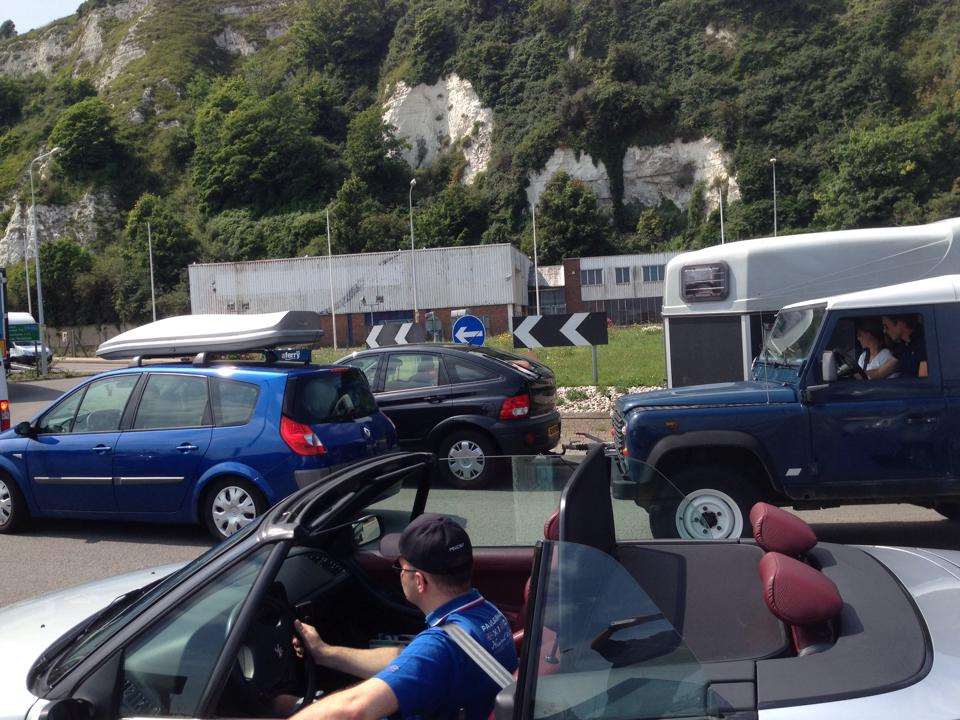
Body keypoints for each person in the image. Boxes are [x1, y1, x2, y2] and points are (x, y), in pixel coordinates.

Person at [291, 514, 518, 720]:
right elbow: (405, 659)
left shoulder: (443, 645)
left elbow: (354, 709)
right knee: (288, 704)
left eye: (401, 568)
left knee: (289, 707)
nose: (400, 575)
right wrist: (325, 653)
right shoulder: (486, 612)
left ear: (419, 581)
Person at [882, 314, 928, 378]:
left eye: (886, 327)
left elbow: (923, 379)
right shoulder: (902, 346)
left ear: (899, 324)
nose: (884, 331)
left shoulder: (924, 342)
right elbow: (880, 372)